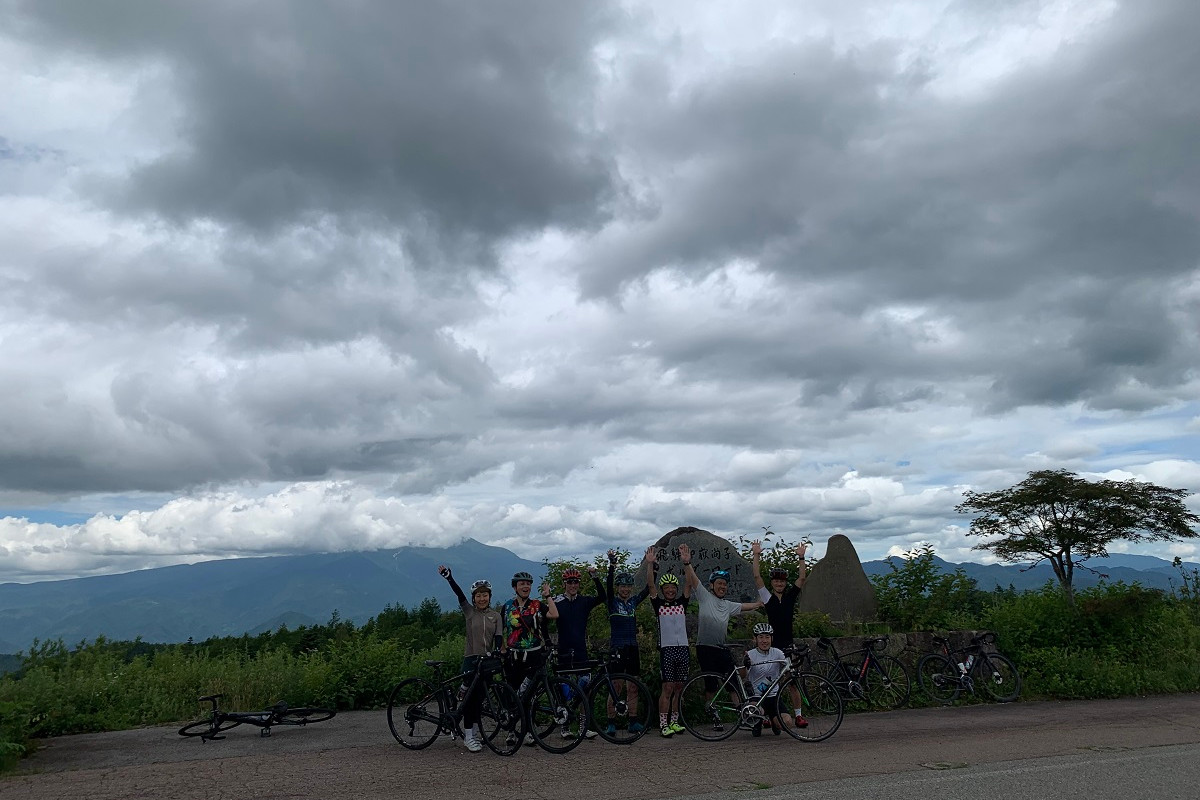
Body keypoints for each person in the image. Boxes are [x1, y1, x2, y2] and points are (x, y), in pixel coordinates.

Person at [678, 543, 762, 730]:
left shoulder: (728, 605)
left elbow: (744, 606)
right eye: (719, 584)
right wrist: (687, 563)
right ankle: (713, 715)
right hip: (705, 648)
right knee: (711, 685)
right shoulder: (705, 597)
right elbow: (693, 579)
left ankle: (742, 715)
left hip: (721, 648)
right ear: (712, 586)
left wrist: (759, 604)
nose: (722, 587)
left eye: (724, 584)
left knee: (733, 682)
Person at [438, 564, 502, 753]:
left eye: (485, 595)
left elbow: (498, 637)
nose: (482, 598)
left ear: (490, 597)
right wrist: (450, 578)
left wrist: (498, 650)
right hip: (471, 660)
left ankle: (473, 734)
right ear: (474, 598)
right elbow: (459, 595)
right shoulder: (469, 612)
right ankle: (468, 737)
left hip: (487, 661)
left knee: (479, 700)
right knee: (470, 702)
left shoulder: (496, 616)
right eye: (478, 596)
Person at [750, 538, 809, 726]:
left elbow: (801, 578)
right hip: (772, 646)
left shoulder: (790, 597)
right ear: (772, 583)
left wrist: (801, 558)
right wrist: (756, 555)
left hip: (788, 644)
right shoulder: (767, 598)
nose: (779, 584)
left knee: (792, 681)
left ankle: (798, 715)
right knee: (769, 681)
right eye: (776, 581)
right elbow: (757, 577)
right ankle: (767, 715)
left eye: (782, 581)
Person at [502, 570, 559, 746]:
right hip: (513, 656)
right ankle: (511, 730)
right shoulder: (507, 606)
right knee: (512, 692)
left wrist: (548, 596)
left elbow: (554, 615)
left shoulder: (536, 605)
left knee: (529, 695)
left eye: (528, 584)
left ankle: (527, 731)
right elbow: (501, 629)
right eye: (522, 584)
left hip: (533, 654)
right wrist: (501, 647)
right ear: (515, 587)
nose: (525, 586)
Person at [551, 564, 605, 739]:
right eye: (570, 582)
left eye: (576, 582)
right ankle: (565, 726)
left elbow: (603, 597)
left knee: (585, 689)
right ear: (564, 583)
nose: (573, 585)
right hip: (564, 651)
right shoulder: (557, 602)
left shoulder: (584, 601)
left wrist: (595, 576)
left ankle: (584, 726)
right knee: (564, 689)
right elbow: (544, 617)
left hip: (581, 651)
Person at [602, 548, 650, 736]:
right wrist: (612, 565)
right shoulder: (612, 602)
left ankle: (633, 721)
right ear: (617, 588)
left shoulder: (632, 602)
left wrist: (652, 566)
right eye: (622, 586)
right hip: (617, 647)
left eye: (628, 586)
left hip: (632, 647)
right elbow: (607, 584)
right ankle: (611, 723)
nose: (625, 589)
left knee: (633, 686)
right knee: (616, 686)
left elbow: (647, 590)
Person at [645, 547, 690, 737]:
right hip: (667, 649)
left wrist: (686, 562)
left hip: (683, 649)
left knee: (679, 688)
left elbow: (689, 584)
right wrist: (650, 565)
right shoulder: (659, 605)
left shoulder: (682, 603)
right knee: (668, 687)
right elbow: (650, 586)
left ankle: (675, 722)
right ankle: (663, 724)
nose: (670, 590)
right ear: (663, 590)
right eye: (667, 588)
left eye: (673, 588)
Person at [741, 622, 798, 735]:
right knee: (754, 718)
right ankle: (758, 722)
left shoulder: (777, 653)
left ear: (772, 638)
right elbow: (742, 676)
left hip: (773, 696)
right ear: (755, 639)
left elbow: (787, 669)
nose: (764, 641)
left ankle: (773, 720)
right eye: (761, 637)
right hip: (757, 696)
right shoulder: (751, 654)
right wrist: (745, 664)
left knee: (787, 723)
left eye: (767, 637)